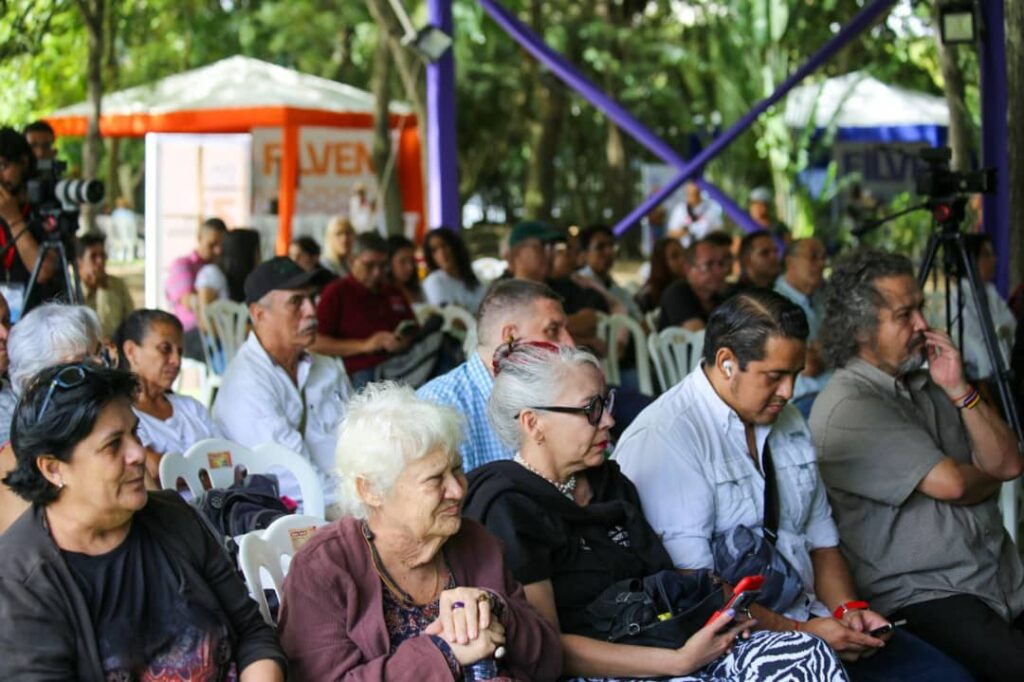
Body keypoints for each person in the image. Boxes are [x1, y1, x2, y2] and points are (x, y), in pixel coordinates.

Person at [615, 290, 972, 681]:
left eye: (796, 375)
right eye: (775, 377)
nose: (788, 392)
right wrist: (803, 634)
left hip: (811, 619)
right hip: (730, 646)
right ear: (726, 362)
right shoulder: (668, 436)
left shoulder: (787, 422)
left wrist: (847, 612)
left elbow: (823, 544)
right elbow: (696, 591)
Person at [464, 341, 847, 681]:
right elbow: (549, 648)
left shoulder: (608, 483)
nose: (610, 421)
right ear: (534, 423)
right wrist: (676, 662)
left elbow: (661, 580)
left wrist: (720, 616)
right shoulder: (511, 506)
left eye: (607, 403)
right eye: (591, 410)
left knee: (805, 655)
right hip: (610, 667)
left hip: (666, 637)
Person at [809, 249, 1024, 680]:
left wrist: (961, 389)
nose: (924, 326)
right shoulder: (850, 405)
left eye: (921, 309)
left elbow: (1008, 464)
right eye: (904, 315)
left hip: (995, 579)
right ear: (861, 328)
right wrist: (981, 477)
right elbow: (955, 485)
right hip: (924, 596)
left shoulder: (930, 382)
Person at [0, 362, 285, 680]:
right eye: (112, 445)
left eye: (135, 433)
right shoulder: (19, 583)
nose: (137, 453)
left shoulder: (175, 516)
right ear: (54, 469)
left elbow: (252, 634)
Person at [278, 382, 562, 680]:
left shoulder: (476, 541)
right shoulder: (323, 568)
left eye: (456, 469)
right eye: (434, 479)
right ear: (372, 490)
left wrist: (496, 609)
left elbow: (550, 663)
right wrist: (443, 652)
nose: (456, 489)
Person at [213, 256, 350, 515]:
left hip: (352, 497)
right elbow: (293, 475)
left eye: (312, 299)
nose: (311, 311)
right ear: (259, 314)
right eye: (296, 302)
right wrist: (362, 505)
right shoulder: (247, 385)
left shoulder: (327, 367)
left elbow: (362, 437)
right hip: (302, 515)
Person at [418, 279, 573, 471]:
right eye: (552, 330)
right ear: (510, 337)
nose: (569, 343)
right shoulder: (440, 407)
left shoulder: (558, 391)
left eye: (566, 330)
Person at [0, 303, 104, 533]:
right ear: (35, 382)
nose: (99, 369)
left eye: (99, 356)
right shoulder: (14, 462)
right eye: (80, 365)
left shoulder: (109, 432)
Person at [115, 309, 221, 474]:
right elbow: (154, 470)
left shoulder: (191, 408)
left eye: (179, 352)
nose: (176, 361)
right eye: (165, 349)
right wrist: (208, 471)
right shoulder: (122, 415)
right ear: (131, 352)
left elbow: (226, 459)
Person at [313, 232, 419, 387]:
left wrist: (402, 340)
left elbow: (413, 327)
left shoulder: (392, 292)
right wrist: (365, 345)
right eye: (369, 266)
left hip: (403, 363)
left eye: (383, 266)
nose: (377, 273)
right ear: (351, 261)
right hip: (362, 371)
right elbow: (315, 342)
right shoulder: (336, 292)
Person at [0, 127, 60, 313]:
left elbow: (43, 271)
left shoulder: (45, 208)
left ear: (24, 163)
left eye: (3, 166)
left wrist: (14, 219)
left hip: (39, 317)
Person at [774, 237, 830, 417]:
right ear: (790, 262)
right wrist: (834, 349)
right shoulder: (775, 303)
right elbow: (808, 365)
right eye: (813, 257)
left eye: (823, 257)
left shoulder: (823, 296)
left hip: (834, 390)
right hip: (802, 400)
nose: (822, 264)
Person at [165, 217, 227, 359]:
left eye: (221, 246)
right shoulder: (182, 265)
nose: (217, 251)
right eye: (212, 245)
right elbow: (189, 301)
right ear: (199, 238)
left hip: (216, 331)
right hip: (190, 334)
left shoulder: (220, 269)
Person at [958, 233, 1016, 382]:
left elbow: (1009, 324)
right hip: (979, 376)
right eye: (986, 255)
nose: (994, 260)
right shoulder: (958, 297)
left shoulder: (990, 291)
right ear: (971, 260)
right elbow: (974, 343)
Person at [658, 236, 730, 331]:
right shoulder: (677, 293)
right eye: (708, 265)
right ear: (688, 268)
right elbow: (698, 337)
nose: (719, 271)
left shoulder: (719, 296)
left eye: (721, 264)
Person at [76, 232, 134, 340]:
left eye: (103, 255)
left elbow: (131, 323)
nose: (100, 261)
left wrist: (104, 290)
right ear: (79, 262)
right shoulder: (73, 289)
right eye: (93, 257)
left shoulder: (117, 285)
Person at [578, 224, 643, 320]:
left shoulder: (617, 290)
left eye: (611, 245)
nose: (609, 251)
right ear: (584, 254)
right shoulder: (578, 286)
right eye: (600, 247)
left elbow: (639, 319)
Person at [422, 227, 484, 312]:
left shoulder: (475, 278)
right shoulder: (434, 281)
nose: (442, 253)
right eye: (434, 250)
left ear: (455, 246)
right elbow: (451, 316)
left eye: (444, 245)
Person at [635, 237, 686, 314]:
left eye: (684, 253)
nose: (682, 259)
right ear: (661, 262)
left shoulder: (689, 286)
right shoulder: (649, 296)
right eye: (675, 256)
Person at [667, 181, 724, 245]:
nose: (690, 197)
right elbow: (671, 234)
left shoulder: (710, 208)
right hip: (686, 250)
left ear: (699, 192)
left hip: (705, 249)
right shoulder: (680, 210)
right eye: (688, 193)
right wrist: (687, 230)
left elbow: (719, 231)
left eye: (694, 194)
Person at [386, 234, 424, 305]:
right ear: (388, 262)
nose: (410, 267)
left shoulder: (417, 287)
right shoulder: (384, 293)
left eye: (412, 261)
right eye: (402, 261)